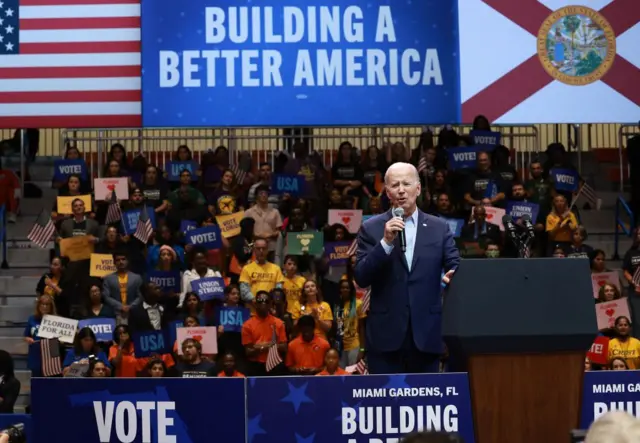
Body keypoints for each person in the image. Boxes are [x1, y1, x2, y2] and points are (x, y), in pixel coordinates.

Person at [354, 162, 460, 374]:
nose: (401, 190)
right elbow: (361, 277)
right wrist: (384, 243)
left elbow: (455, 265)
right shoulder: (371, 228)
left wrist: (452, 277)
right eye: (395, 185)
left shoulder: (439, 228)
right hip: (385, 337)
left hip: (427, 335)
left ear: (418, 189)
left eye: (406, 184)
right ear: (387, 191)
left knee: (426, 403)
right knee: (385, 404)